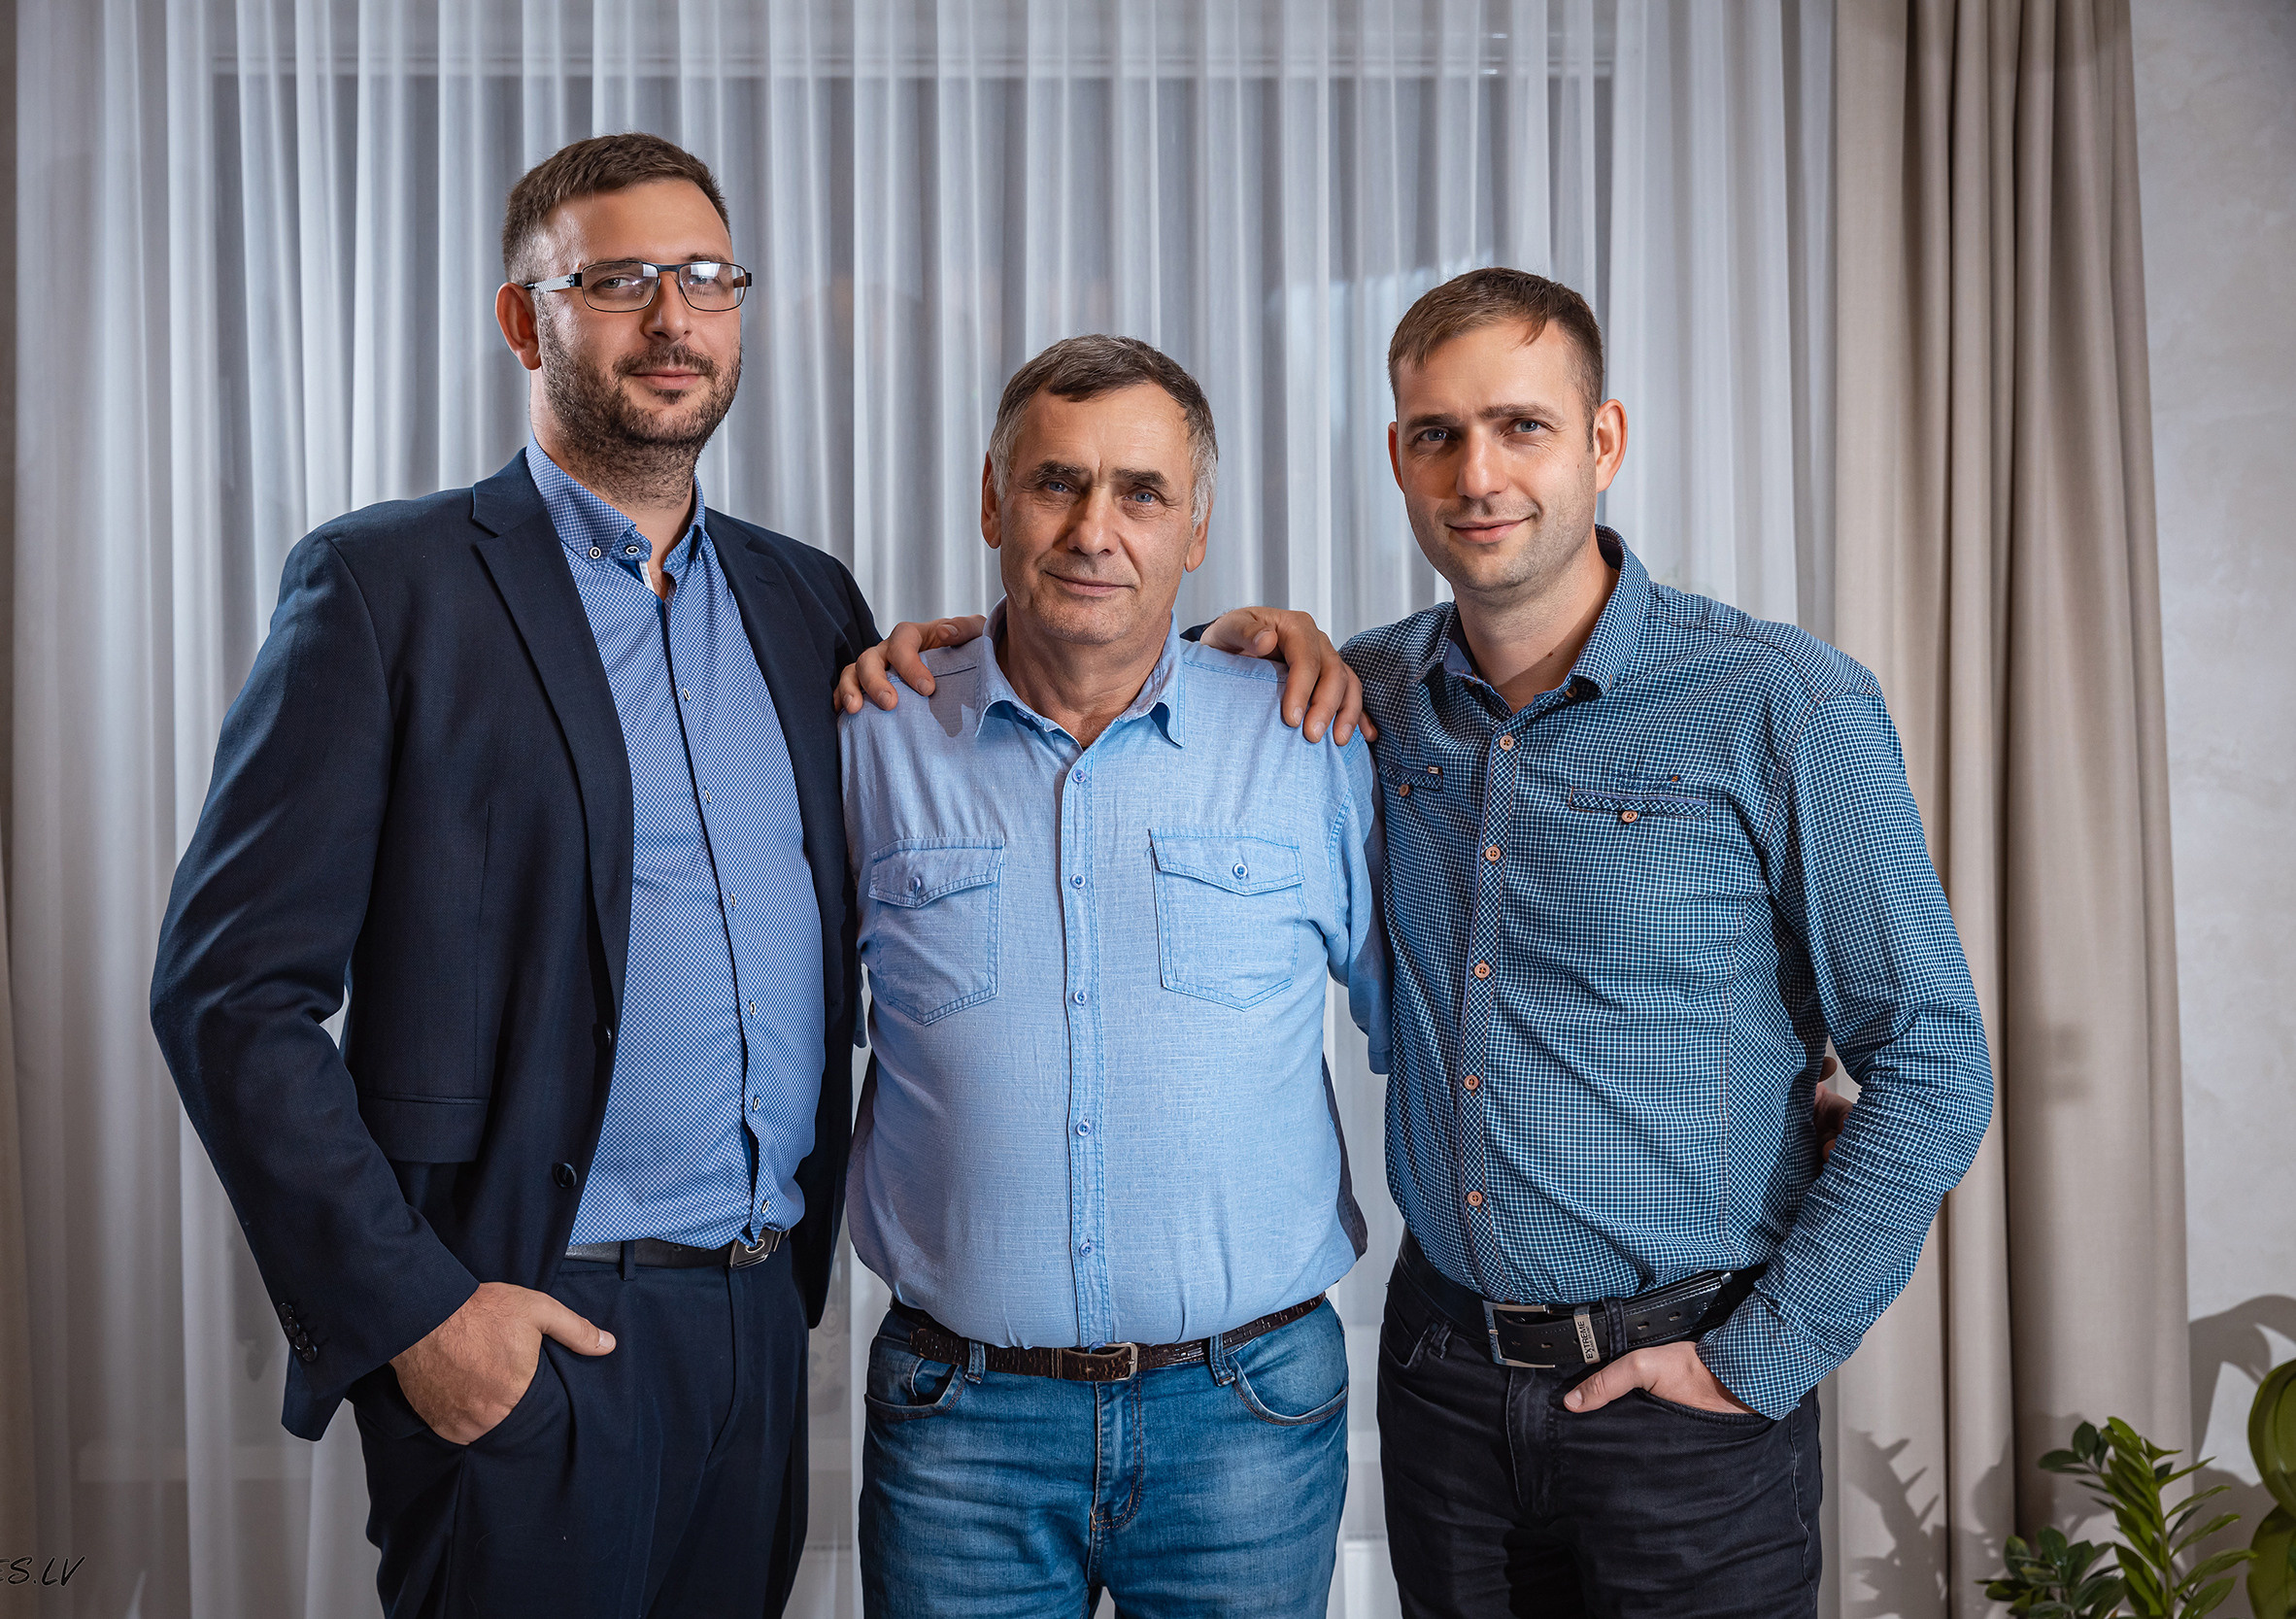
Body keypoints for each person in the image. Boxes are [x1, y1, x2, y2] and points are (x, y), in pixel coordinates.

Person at [151, 133, 1358, 1619]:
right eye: (622, 279)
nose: (675, 317)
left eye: (708, 279)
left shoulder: (806, 607)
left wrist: (1257, 640)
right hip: (533, 1316)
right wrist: (415, 1313)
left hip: (750, 1323)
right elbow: (226, 995)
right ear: (527, 320)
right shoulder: (389, 590)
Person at [840, 267, 1992, 1617]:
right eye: (1438, 434)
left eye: (1523, 426)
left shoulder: (1776, 699)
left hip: (1684, 1393)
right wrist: (1113, 645)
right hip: (1444, 1392)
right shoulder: (1349, 699)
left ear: (1603, 442)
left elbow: (1932, 1055)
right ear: (1397, 456)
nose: (1479, 472)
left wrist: (1766, 1352)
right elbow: (1137, 666)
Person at [840, 334, 1385, 1619]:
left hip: (1246, 1416)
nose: (1096, 529)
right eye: (1054, 484)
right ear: (991, 500)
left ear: (1195, 529)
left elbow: (1433, 1028)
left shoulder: (1310, 739)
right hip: (957, 1424)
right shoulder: (874, 740)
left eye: (1141, 492)